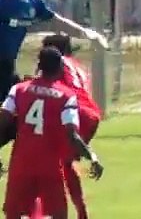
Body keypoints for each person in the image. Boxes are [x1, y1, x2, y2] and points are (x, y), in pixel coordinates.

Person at [0, 47, 103, 219]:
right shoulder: (66, 96)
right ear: (60, 68)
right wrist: (92, 157)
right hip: (50, 165)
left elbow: (3, 120)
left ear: (39, 66)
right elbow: (72, 136)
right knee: (58, 215)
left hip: (21, 162)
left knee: (14, 214)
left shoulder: (18, 89)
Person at [0, 0, 107, 103]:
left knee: (16, 104)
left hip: (8, 63)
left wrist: (86, 34)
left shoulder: (34, 0)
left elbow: (56, 21)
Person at [42, 33, 100, 219]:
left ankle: (54, 212)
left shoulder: (56, 64)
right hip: (91, 114)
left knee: (49, 164)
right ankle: (82, 213)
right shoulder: (76, 66)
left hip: (76, 112)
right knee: (65, 163)